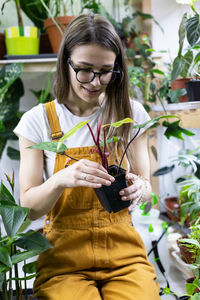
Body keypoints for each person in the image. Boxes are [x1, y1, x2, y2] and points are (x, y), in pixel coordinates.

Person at [14, 13, 160, 300]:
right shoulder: (38, 121)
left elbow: (147, 189)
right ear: (65, 61)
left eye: (106, 71)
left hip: (124, 257)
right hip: (64, 261)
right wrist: (60, 180)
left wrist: (139, 188)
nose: (95, 82)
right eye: (84, 69)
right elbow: (29, 208)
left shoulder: (130, 113)